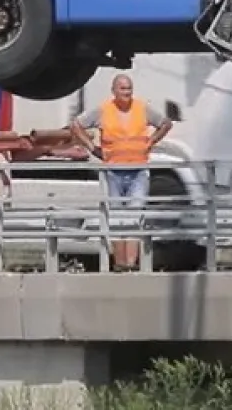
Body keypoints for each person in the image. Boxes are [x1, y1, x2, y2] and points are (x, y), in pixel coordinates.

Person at [70, 74, 172, 270]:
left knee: (134, 217)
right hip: (113, 171)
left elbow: (165, 123)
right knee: (117, 218)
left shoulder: (142, 108)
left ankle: (132, 265)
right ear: (114, 91)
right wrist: (92, 148)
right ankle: (120, 264)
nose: (127, 93)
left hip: (138, 169)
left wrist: (150, 142)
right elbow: (77, 125)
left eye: (129, 89)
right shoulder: (103, 110)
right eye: (123, 89)